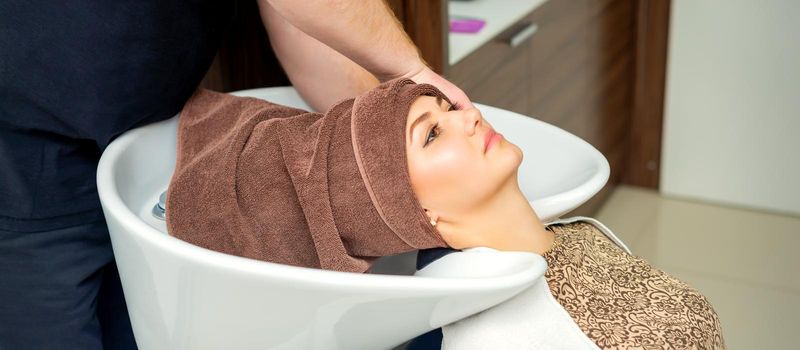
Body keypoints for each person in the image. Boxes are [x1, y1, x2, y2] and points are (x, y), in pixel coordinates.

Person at [0, 1, 471, 348]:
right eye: (434, 131)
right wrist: (412, 77)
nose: (466, 122)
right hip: (21, 163)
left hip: (153, 137)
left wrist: (390, 144)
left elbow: (302, 23)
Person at [167, 78, 724, 349]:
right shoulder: (508, 334)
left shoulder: (572, 236)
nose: (467, 117)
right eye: (431, 133)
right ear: (418, 213)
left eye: (446, 107)